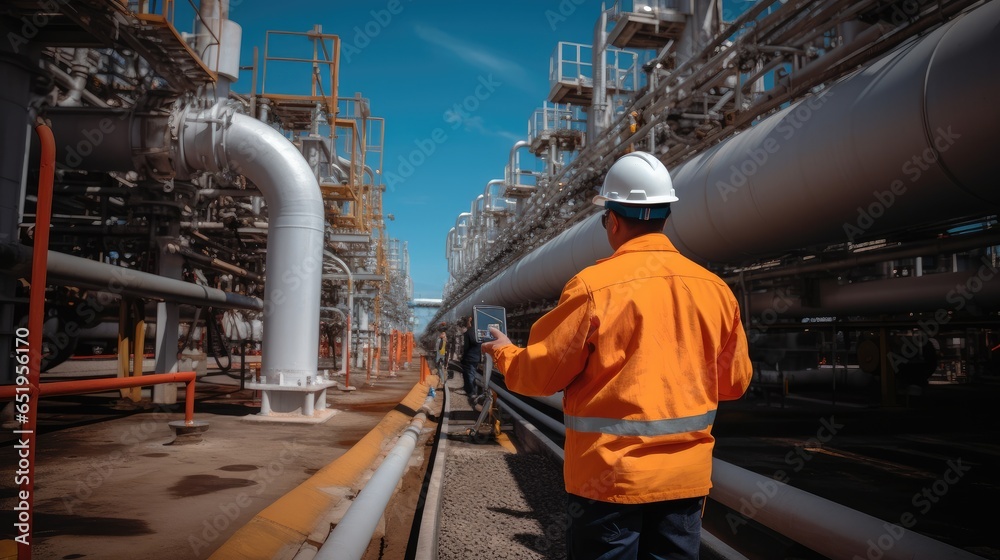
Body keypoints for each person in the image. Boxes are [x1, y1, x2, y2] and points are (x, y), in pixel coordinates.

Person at [482, 151, 753, 560]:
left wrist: (504, 353)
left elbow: (539, 376)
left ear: (612, 219)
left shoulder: (593, 287)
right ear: (666, 216)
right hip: (685, 481)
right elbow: (734, 384)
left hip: (609, 482)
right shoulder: (715, 290)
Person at [459, 315, 482, 397]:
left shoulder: (468, 332)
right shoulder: (479, 332)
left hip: (469, 357)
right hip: (477, 357)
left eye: (468, 322)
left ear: (470, 323)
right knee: (473, 374)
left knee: (469, 375)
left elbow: (466, 347)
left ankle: (472, 392)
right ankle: (472, 390)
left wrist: (462, 357)